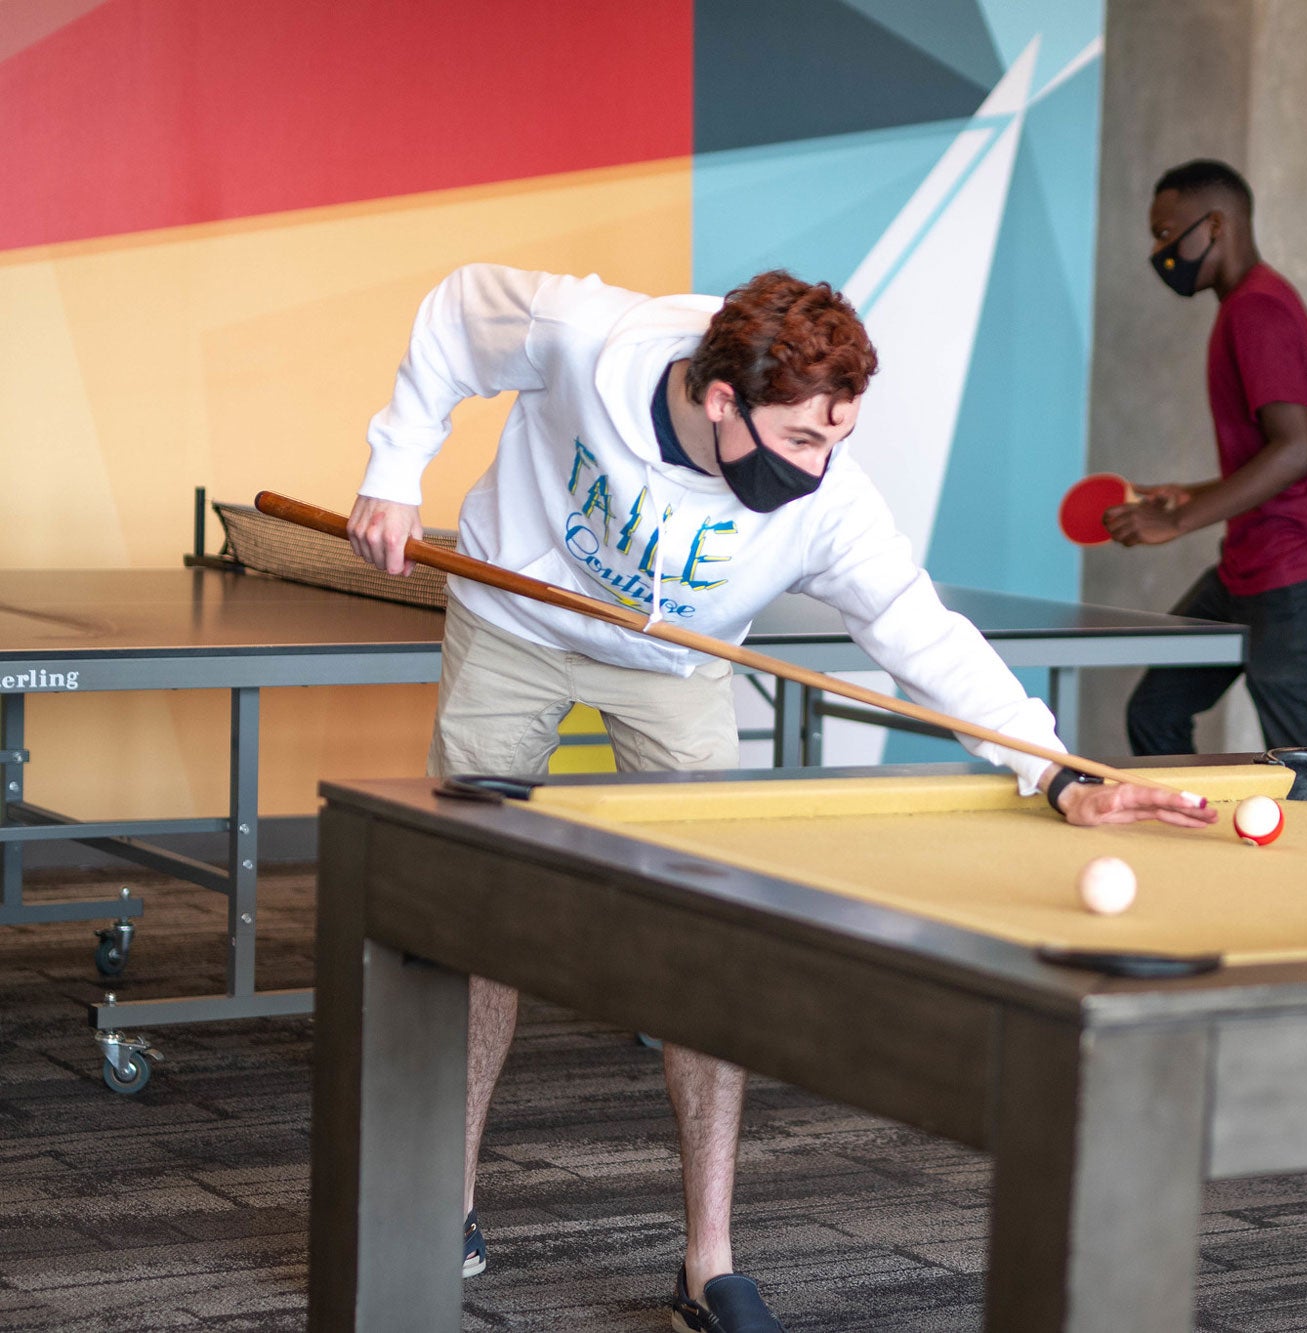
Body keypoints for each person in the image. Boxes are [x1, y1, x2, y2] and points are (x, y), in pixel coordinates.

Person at [349, 264, 1215, 1332]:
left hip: (678, 665)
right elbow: (452, 314)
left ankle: (706, 1258)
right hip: (513, 625)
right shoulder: (585, 337)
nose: (821, 466)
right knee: (465, 916)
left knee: (714, 938)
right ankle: (445, 1201)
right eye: (803, 440)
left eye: (836, 439)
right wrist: (394, 467)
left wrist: (1052, 768)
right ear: (722, 401)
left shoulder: (824, 501)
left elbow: (916, 630)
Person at [1110, 159, 1307, 756]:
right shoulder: (1247, 304)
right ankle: (1188, 829)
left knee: (1306, 764)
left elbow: (1297, 450)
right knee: (1155, 712)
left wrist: (1175, 522)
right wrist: (1191, 494)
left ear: (1217, 225)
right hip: (1250, 561)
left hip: (1299, 564)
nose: (1159, 250)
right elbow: (1279, 452)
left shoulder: (1256, 309)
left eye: (1167, 234)